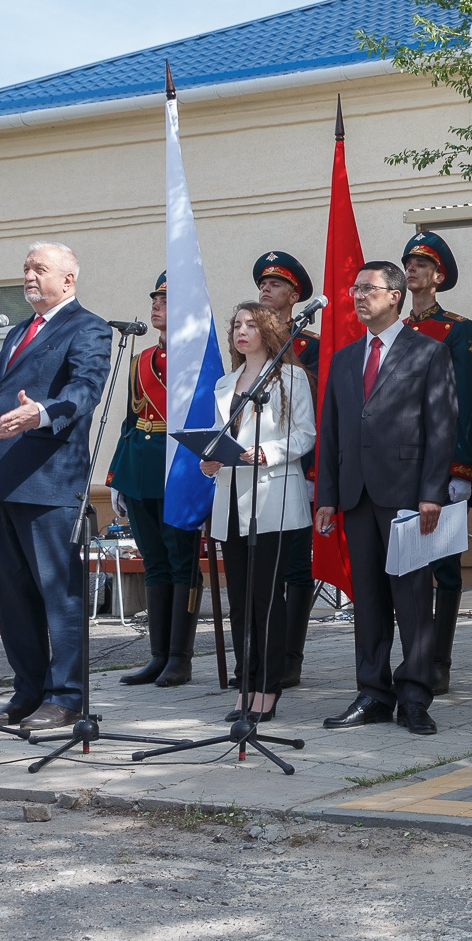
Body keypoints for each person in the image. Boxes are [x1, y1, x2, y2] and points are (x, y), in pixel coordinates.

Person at [0, 242, 111, 733]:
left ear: (68, 280)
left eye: (39, 268)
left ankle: (67, 696)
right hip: (7, 481)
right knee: (15, 599)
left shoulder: (88, 327)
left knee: (58, 596)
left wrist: (43, 411)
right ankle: (27, 692)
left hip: (51, 481)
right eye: (26, 268)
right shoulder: (14, 332)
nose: (29, 275)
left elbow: (86, 390)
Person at [316, 260, 459, 737]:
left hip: (407, 498)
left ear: (395, 295)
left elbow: (442, 429)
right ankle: (373, 693)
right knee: (369, 600)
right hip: (356, 496)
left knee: (414, 599)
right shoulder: (343, 358)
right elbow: (332, 432)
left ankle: (415, 696)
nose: (357, 296)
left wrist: (431, 493)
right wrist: (328, 496)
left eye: (367, 289)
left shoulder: (429, 352)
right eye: (353, 288)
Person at [201, 302, 315, 722]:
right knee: (240, 602)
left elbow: (306, 434)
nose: (241, 331)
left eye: (250, 324)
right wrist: (211, 458)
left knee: (267, 598)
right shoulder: (226, 382)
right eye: (236, 325)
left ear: (267, 330)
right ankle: (244, 683)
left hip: (273, 499)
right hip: (230, 500)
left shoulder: (291, 377)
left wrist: (268, 452)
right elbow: (226, 437)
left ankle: (268, 687)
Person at [109, 272, 202, 687]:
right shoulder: (139, 362)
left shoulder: (199, 359)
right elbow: (130, 421)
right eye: (155, 298)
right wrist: (116, 477)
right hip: (140, 470)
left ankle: (180, 658)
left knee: (182, 562)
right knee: (154, 563)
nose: (156, 305)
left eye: (165, 299)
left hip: (179, 469)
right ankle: (158, 655)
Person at [401, 230, 472, 694]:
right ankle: (413, 656)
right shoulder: (394, 330)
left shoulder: (456, 328)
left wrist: (461, 470)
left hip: (441, 467)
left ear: (439, 275)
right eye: (409, 263)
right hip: (399, 467)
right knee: (407, 565)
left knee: (444, 567)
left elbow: (465, 403)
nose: (413, 269)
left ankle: (440, 661)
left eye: (422, 264)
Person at [253, 250, 321, 687]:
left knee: (297, 567)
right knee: (261, 568)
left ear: (294, 295)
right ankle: (261, 653)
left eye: (275, 284)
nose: (266, 289)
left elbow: (311, 405)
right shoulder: (250, 344)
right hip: (252, 472)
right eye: (263, 283)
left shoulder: (310, 347)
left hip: (297, 467)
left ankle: (290, 656)